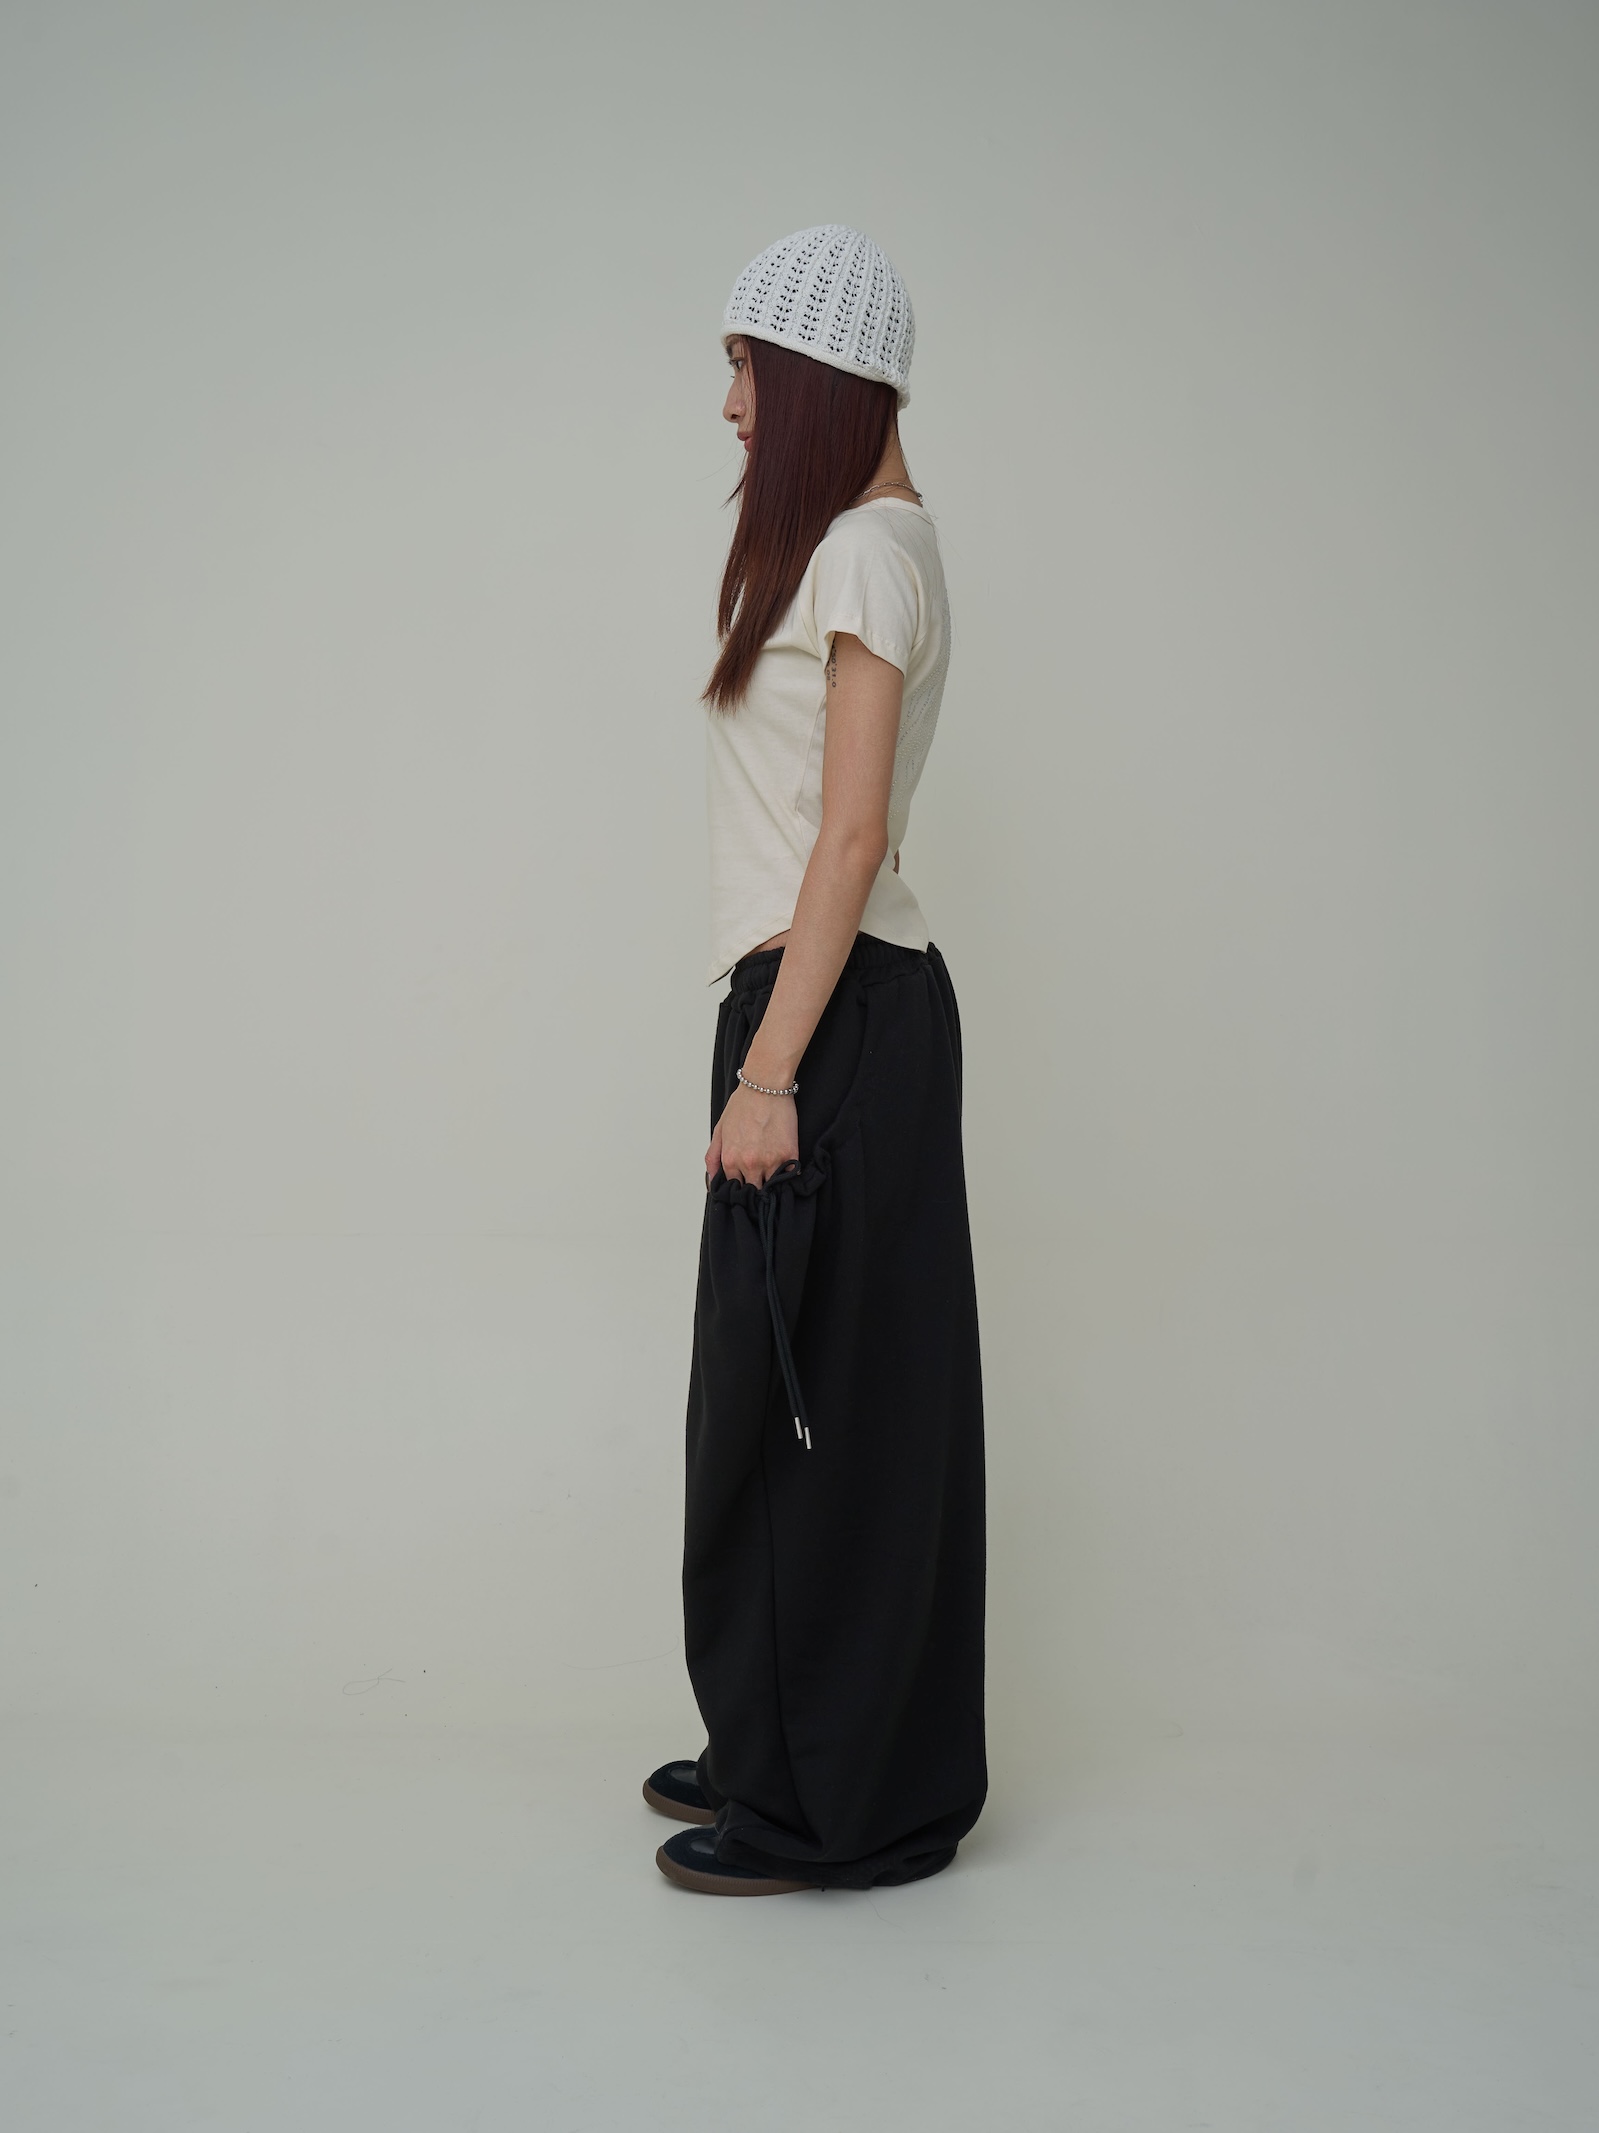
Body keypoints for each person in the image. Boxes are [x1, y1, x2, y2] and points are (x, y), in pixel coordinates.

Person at [646, 226, 986, 1896]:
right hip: (829, 1002)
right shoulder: (876, 546)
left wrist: (772, 1072)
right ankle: (777, 1745)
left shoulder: (863, 554)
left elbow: (851, 836)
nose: (729, 407)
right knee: (789, 1401)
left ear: (821, 379)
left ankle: (824, 1807)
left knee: (810, 1416)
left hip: (825, 1009)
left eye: (748, 369)